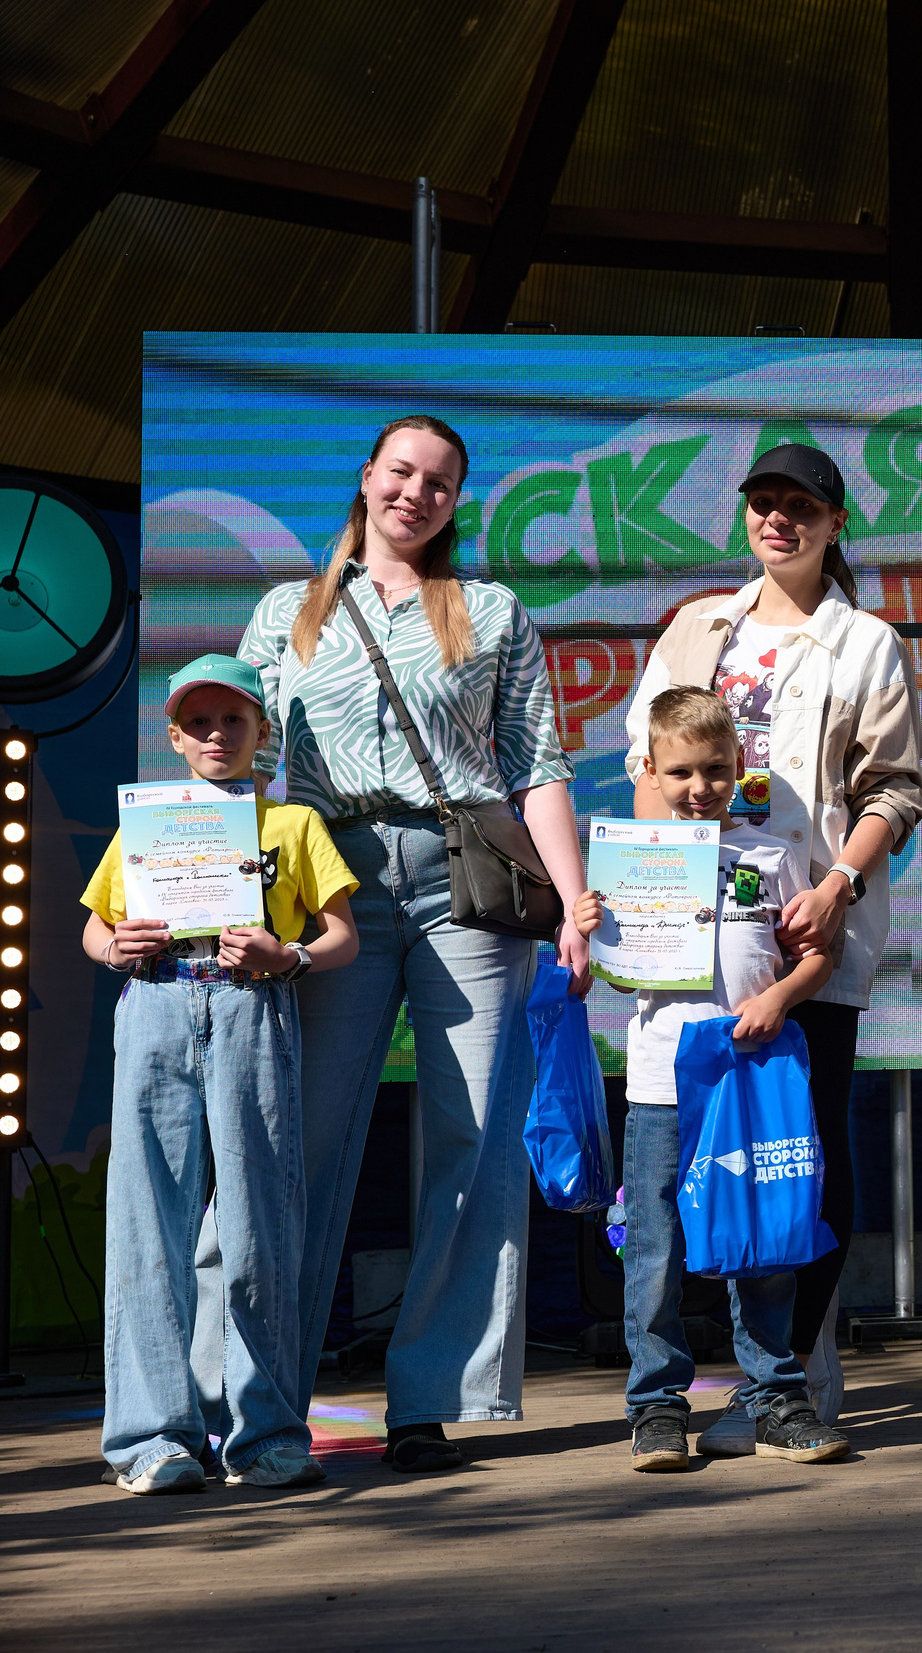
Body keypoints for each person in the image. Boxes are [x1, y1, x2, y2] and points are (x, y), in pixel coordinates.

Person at [238, 415, 586, 1474]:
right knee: (297, 1136)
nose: (417, 493)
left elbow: (536, 762)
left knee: (472, 1137)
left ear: (453, 503)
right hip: (325, 877)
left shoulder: (489, 611)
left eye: (439, 482)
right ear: (366, 478)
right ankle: (261, 1401)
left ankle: (433, 1396)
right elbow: (239, 764)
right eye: (402, 472)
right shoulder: (283, 613)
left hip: (465, 878)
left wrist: (573, 900)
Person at [619, 441, 922, 1438]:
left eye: (799, 504)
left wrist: (838, 884)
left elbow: (893, 788)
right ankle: (686, 1390)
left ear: (836, 524)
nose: (776, 519)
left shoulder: (866, 641)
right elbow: (643, 760)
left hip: (797, 930)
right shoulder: (698, 625)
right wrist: (652, 890)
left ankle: (786, 1377)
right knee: (668, 1181)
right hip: (685, 946)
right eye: (761, 501)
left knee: (799, 1154)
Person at [82, 657, 360, 1494]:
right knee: (147, 1223)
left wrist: (294, 955)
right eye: (197, 723)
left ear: (260, 734)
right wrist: (115, 948)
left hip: (250, 1004)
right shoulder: (147, 824)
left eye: (232, 721)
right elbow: (96, 931)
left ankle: (266, 1436)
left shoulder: (293, 824)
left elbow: (341, 932)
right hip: (159, 1001)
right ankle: (152, 1440)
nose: (215, 735)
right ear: (172, 738)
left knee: (258, 1226)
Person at [577, 688, 852, 1469]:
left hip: (752, 1084)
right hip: (663, 1086)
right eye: (681, 773)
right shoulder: (634, 865)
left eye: (715, 771)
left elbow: (817, 957)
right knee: (656, 1249)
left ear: (739, 768)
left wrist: (779, 997)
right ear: (651, 772)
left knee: (764, 1242)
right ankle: (657, 1406)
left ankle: (774, 1396)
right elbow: (625, 985)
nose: (700, 789)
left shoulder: (770, 856)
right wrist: (606, 938)